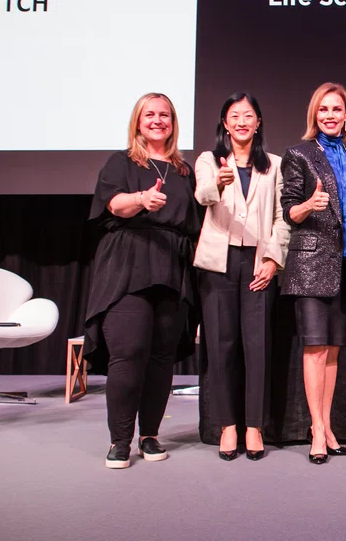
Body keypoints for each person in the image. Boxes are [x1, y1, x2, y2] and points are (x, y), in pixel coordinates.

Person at [84, 92, 202, 469]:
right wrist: (140, 199)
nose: (157, 120)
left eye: (164, 115)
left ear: (173, 122)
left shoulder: (185, 171)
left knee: (161, 357)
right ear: (138, 121)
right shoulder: (122, 162)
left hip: (172, 265)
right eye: (149, 114)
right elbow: (113, 204)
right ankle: (120, 441)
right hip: (129, 262)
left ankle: (149, 435)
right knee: (128, 354)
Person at [280, 82, 346, 465]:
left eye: (337, 109)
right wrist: (308, 204)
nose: (331, 116)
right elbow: (288, 210)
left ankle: (327, 426)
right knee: (314, 349)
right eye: (324, 110)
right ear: (314, 115)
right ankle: (317, 430)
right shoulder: (299, 155)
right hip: (310, 265)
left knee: (333, 352)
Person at [194, 92, 290, 461]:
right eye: (234, 115)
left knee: (257, 345)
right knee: (221, 346)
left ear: (258, 122)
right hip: (219, 262)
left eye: (248, 115)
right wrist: (218, 182)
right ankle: (227, 426)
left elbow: (282, 218)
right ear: (224, 122)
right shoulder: (209, 160)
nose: (241, 122)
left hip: (258, 261)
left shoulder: (275, 165)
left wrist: (273, 259)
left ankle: (254, 426)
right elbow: (203, 196)